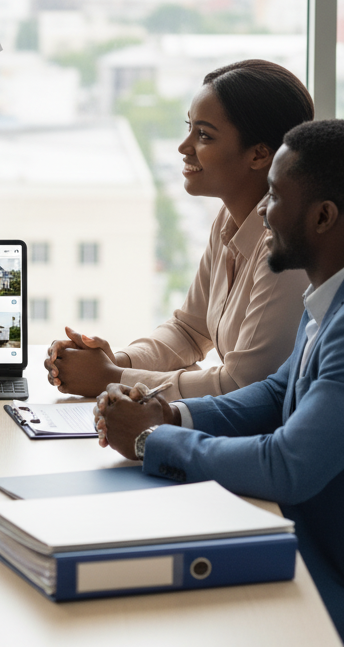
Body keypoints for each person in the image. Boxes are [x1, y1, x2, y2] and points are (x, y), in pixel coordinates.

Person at [94, 119, 344, 647]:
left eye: (274, 197)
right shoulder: (343, 290)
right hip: (321, 541)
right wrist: (173, 414)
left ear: (322, 216)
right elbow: (278, 394)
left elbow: (287, 466)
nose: (263, 214)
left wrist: (149, 440)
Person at [46, 59, 313, 400]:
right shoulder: (228, 220)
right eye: (189, 128)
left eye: (203, 135)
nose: (184, 147)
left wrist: (111, 378)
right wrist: (116, 361)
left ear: (259, 155)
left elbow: (242, 386)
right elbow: (189, 330)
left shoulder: (285, 249)